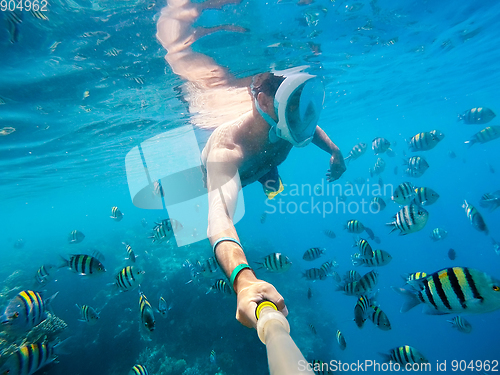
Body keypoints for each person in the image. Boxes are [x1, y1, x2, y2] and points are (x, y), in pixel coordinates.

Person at [156, 0, 346, 329]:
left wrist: (335, 151)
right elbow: (219, 221)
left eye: (302, 98)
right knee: (203, 190)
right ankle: (169, 184)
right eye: (291, 98)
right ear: (260, 98)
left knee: (271, 181)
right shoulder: (227, 151)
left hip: (264, 166)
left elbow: (306, 125)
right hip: (234, 172)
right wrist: (242, 280)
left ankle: (268, 179)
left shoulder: (286, 119)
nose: (300, 108)